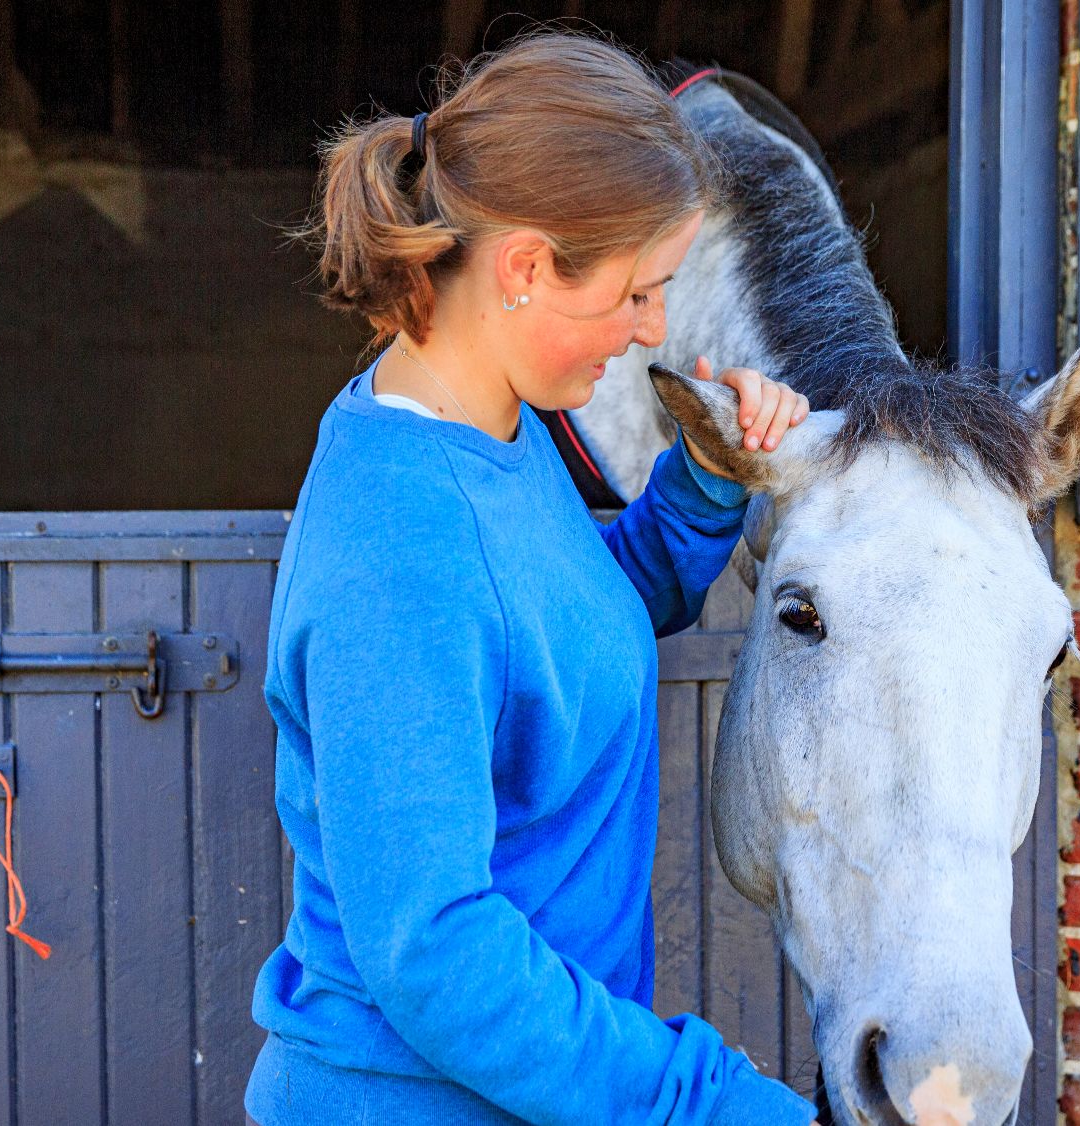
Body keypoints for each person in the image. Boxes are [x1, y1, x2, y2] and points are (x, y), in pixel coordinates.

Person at [244, 31, 820, 1126]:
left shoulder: (493, 432)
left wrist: (698, 480)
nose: (653, 329)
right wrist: (707, 1103)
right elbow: (435, 951)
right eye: (638, 292)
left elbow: (558, 629)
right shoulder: (397, 545)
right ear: (522, 267)